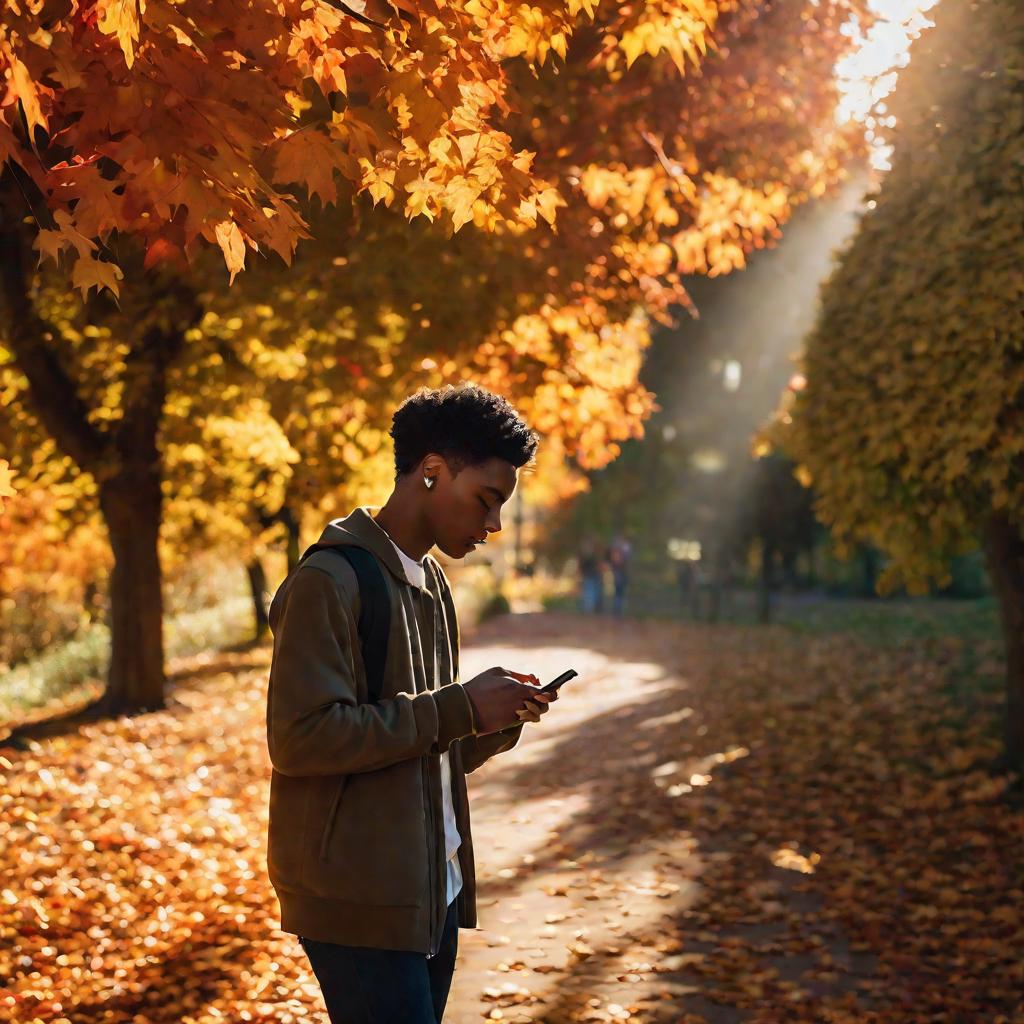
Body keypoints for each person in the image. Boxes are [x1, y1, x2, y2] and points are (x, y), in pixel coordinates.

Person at [265, 383, 558, 1024]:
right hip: (361, 898)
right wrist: (458, 709)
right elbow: (300, 739)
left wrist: (491, 720)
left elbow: (417, 745)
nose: (494, 524)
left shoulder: (433, 585)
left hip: (434, 887)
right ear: (431, 471)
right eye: (486, 499)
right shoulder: (330, 581)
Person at [606, 530, 633, 617]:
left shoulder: (619, 548)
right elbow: (618, 561)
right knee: (619, 592)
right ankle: (618, 611)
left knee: (619, 592)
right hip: (619, 572)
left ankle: (618, 611)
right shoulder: (621, 548)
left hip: (620, 572)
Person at [577, 535, 604, 613]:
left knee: (592, 593)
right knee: (590, 593)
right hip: (590, 575)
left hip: (593, 574)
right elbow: (581, 564)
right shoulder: (586, 553)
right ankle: (588, 610)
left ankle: (590, 609)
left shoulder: (594, 553)